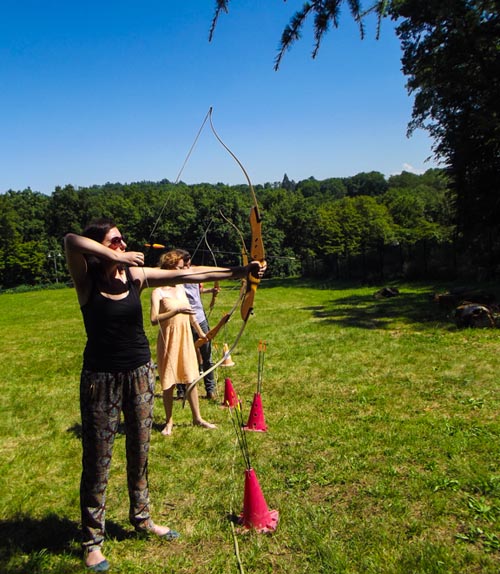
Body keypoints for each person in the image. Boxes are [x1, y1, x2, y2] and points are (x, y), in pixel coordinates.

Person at [64, 218, 265, 572]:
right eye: (116, 241)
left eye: (123, 241)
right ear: (99, 248)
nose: (124, 245)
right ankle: (92, 541)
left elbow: (193, 275)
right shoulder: (87, 281)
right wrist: (118, 258)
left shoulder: (136, 279)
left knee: (140, 451)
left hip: (141, 374)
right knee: (98, 460)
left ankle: (142, 519)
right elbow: (71, 240)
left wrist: (240, 271)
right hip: (101, 379)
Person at [150, 249, 216, 436]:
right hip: (169, 339)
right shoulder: (158, 292)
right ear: (170, 268)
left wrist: (202, 333)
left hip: (186, 336)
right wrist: (175, 311)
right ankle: (169, 421)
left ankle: (197, 418)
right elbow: (154, 319)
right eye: (180, 267)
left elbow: (191, 314)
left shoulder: (181, 288)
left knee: (191, 377)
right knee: (168, 382)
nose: (184, 270)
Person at [182, 252, 219, 400]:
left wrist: (212, 291)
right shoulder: (175, 278)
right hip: (184, 320)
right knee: (184, 356)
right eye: (184, 263)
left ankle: (210, 390)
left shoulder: (195, 273)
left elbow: (198, 291)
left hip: (200, 319)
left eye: (188, 262)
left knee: (207, 355)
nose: (187, 265)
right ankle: (182, 390)